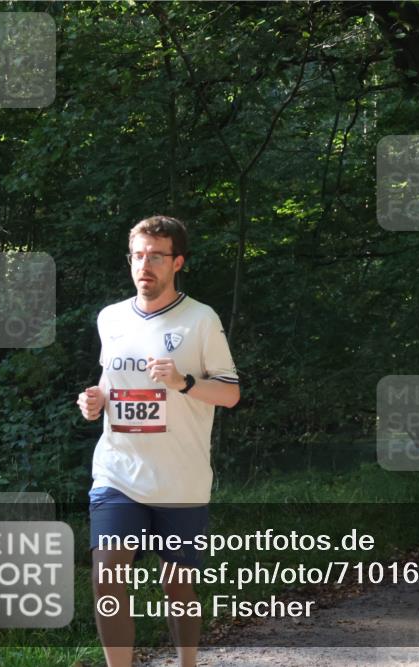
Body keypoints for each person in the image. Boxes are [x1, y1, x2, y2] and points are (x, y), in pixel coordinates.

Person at [77, 215, 240, 667]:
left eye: (156, 256)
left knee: (177, 585)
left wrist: (185, 382)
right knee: (107, 575)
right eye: (138, 255)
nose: (144, 265)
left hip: (180, 480)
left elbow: (230, 393)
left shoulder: (201, 319)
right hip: (118, 471)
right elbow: (110, 382)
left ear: (177, 263)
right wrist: (95, 401)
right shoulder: (109, 318)